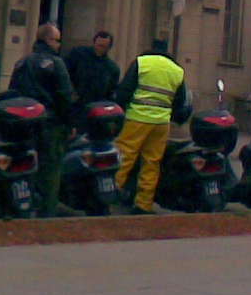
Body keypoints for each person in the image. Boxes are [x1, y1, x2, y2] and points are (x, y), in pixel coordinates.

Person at [114, 37, 190, 215]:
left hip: (137, 119)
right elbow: (180, 101)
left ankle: (111, 194)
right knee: (152, 163)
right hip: (161, 123)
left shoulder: (142, 63)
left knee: (125, 157)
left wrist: (120, 109)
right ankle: (144, 203)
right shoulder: (176, 70)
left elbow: (125, 90)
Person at [8, 22, 77, 217]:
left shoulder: (22, 62)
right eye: (57, 40)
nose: (59, 44)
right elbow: (64, 95)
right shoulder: (56, 63)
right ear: (48, 40)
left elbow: (12, 92)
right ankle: (47, 212)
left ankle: (21, 205)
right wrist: (70, 123)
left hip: (24, 124)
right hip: (49, 123)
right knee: (50, 169)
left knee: (24, 165)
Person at [64, 30, 120, 107]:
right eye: (98, 45)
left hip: (96, 105)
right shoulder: (78, 54)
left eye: (103, 47)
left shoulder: (112, 68)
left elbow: (111, 91)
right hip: (74, 102)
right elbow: (65, 73)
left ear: (108, 48)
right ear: (94, 43)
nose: (99, 49)